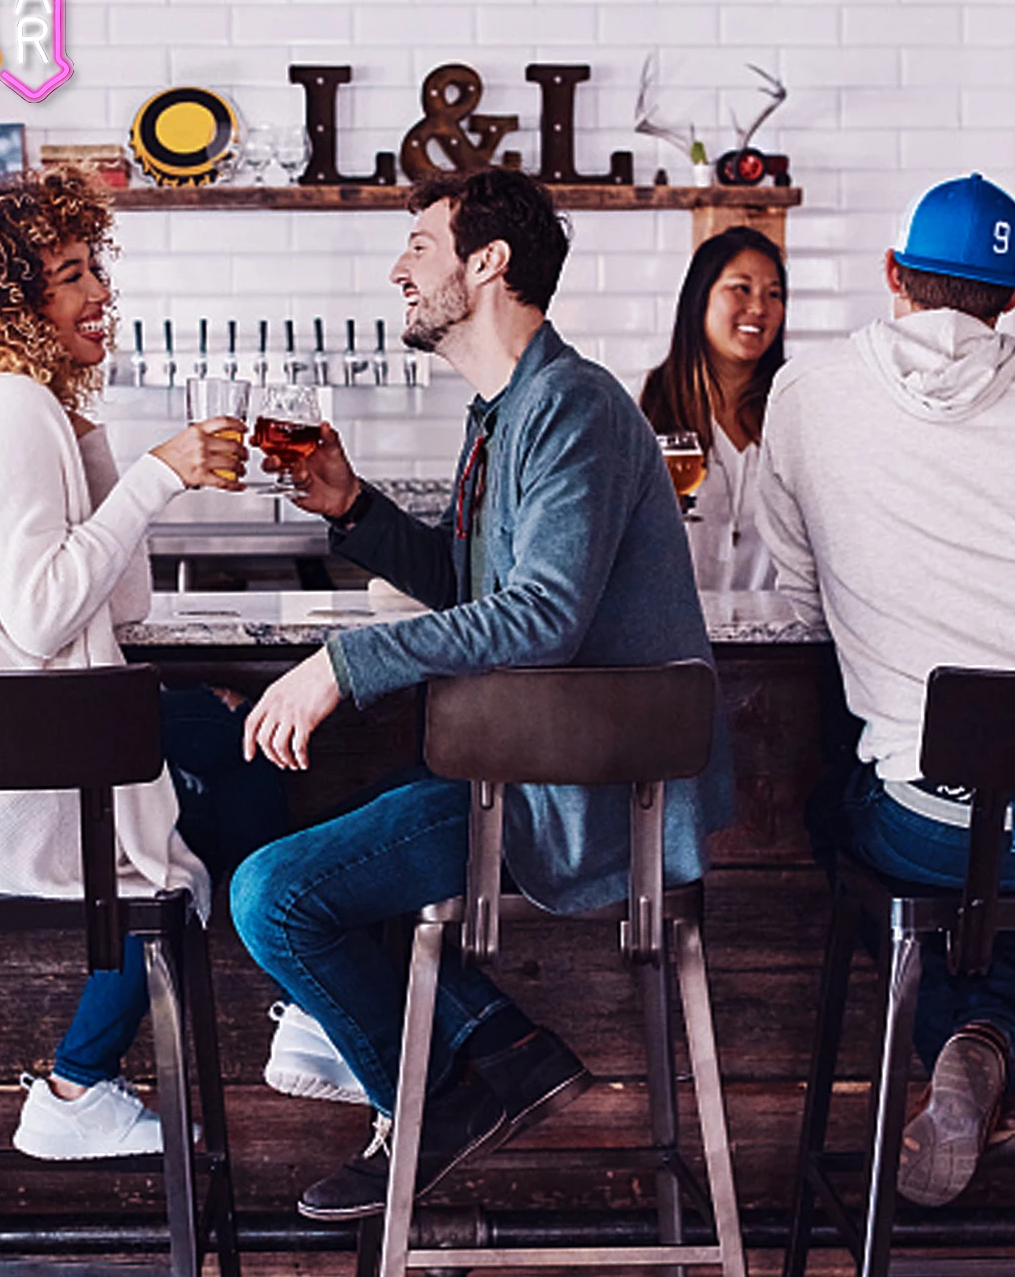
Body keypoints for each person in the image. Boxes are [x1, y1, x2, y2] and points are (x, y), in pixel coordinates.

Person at [228, 167, 734, 1221]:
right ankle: (498, 1054)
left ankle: (448, 1091)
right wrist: (355, 507)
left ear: (487, 262)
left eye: (420, 243)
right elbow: (484, 589)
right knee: (299, 866)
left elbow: (543, 614)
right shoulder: (508, 411)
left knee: (272, 894)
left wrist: (341, 665)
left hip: (585, 797)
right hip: (521, 773)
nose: (398, 267)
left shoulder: (574, 408)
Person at [0, 171, 291, 1161]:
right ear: (17, 303)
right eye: (70, 276)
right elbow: (44, 610)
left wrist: (100, 454)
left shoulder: (13, 405)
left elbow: (120, 603)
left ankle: (85, 1078)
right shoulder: (6, 407)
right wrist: (156, 475)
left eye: (96, 269)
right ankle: (115, 1067)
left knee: (222, 742)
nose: (99, 294)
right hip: (1, 803)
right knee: (245, 756)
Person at [757, 171, 1015, 1209]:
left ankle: (960, 1036)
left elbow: (796, 597)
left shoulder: (809, 393)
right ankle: (983, 1036)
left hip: (922, 816)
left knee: (841, 814)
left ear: (893, 275)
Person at [639, 226, 788, 590]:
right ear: (700, 297)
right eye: (741, 288)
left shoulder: (792, 411)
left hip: (779, 638)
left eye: (774, 294)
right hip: (674, 637)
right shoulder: (644, 407)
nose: (759, 308)